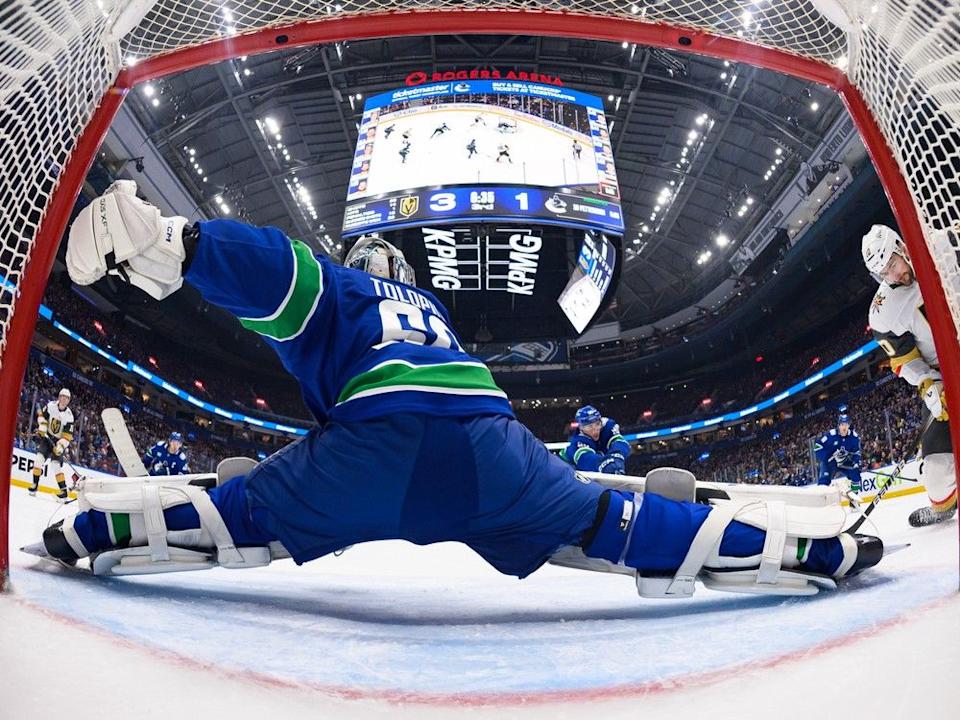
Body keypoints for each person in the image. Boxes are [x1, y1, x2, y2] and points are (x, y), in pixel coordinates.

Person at [33, 180, 884, 598]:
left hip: (370, 446)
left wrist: (181, 244)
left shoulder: (349, 288)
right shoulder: (430, 315)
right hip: (489, 448)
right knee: (603, 522)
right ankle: (791, 553)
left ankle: (99, 530)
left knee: (245, 515)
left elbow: (279, 273)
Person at [863, 224, 957, 527]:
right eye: (883, 273)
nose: (892, 276)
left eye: (892, 264)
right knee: (937, 469)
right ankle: (943, 506)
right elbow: (904, 360)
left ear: (902, 247)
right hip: (944, 376)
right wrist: (929, 385)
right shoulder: (883, 310)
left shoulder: (943, 243)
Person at [29, 388, 74, 500]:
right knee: (38, 460)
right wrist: (43, 425)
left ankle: (63, 492)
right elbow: (42, 417)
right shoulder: (51, 406)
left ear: (69, 400)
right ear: (59, 397)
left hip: (58, 441)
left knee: (55, 465)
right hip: (47, 437)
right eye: (62, 396)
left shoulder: (69, 416)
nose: (64, 399)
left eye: (67, 398)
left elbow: (67, 436)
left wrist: (61, 446)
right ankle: (35, 485)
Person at [559, 405, 630, 475]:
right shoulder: (578, 440)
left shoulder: (608, 426)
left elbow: (620, 442)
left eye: (597, 424)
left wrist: (617, 456)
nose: (595, 430)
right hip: (566, 467)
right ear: (581, 428)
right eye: (589, 426)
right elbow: (586, 459)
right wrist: (604, 464)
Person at [814, 413, 862, 499]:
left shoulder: (854, 437)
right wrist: (826, 458)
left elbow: (856, 452)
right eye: (842, 424)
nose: (844, 427)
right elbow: (817, 446)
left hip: (844, 462)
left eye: (846, 424)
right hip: (830, 463)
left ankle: (853, 501)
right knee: (823, 481)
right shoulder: (831, 435)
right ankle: (820, 501)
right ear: (839, 425)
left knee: (856, 476)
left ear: (849, 425)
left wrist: (856, 462)